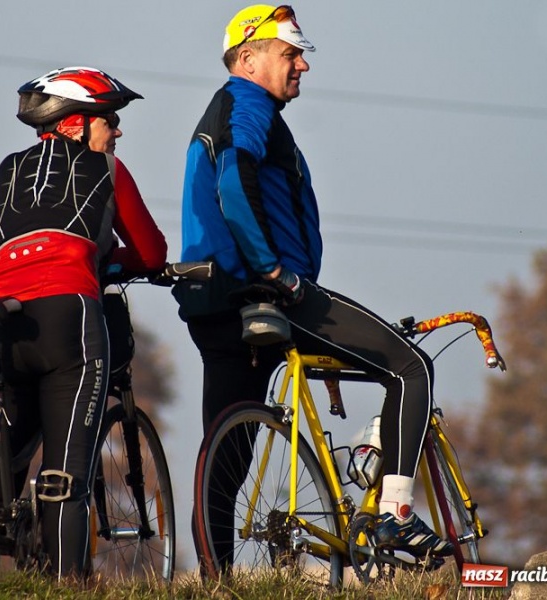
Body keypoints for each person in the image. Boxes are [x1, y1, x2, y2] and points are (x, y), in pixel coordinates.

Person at [174, 4, 454, 566]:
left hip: (215, 304)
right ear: (248, 59)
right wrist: (275, 273)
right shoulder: (246, 104)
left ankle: (217, 580)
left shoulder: (232, 108)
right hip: (271, 297)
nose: (302, 64)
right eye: (290, 53)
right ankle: (394, 514)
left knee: (226, 457)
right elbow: (233, 183)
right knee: (411, 368)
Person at [0, 66, 167, 577]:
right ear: (77, 124)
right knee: (66, 475)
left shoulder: (4, 172)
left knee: (3, 460)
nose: (118, 131)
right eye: (111, 119)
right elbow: (151, 251)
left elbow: (4, 250)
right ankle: (67, 585)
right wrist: (108, 261)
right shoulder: (107, 170)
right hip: (69, 319)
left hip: (2, 320)